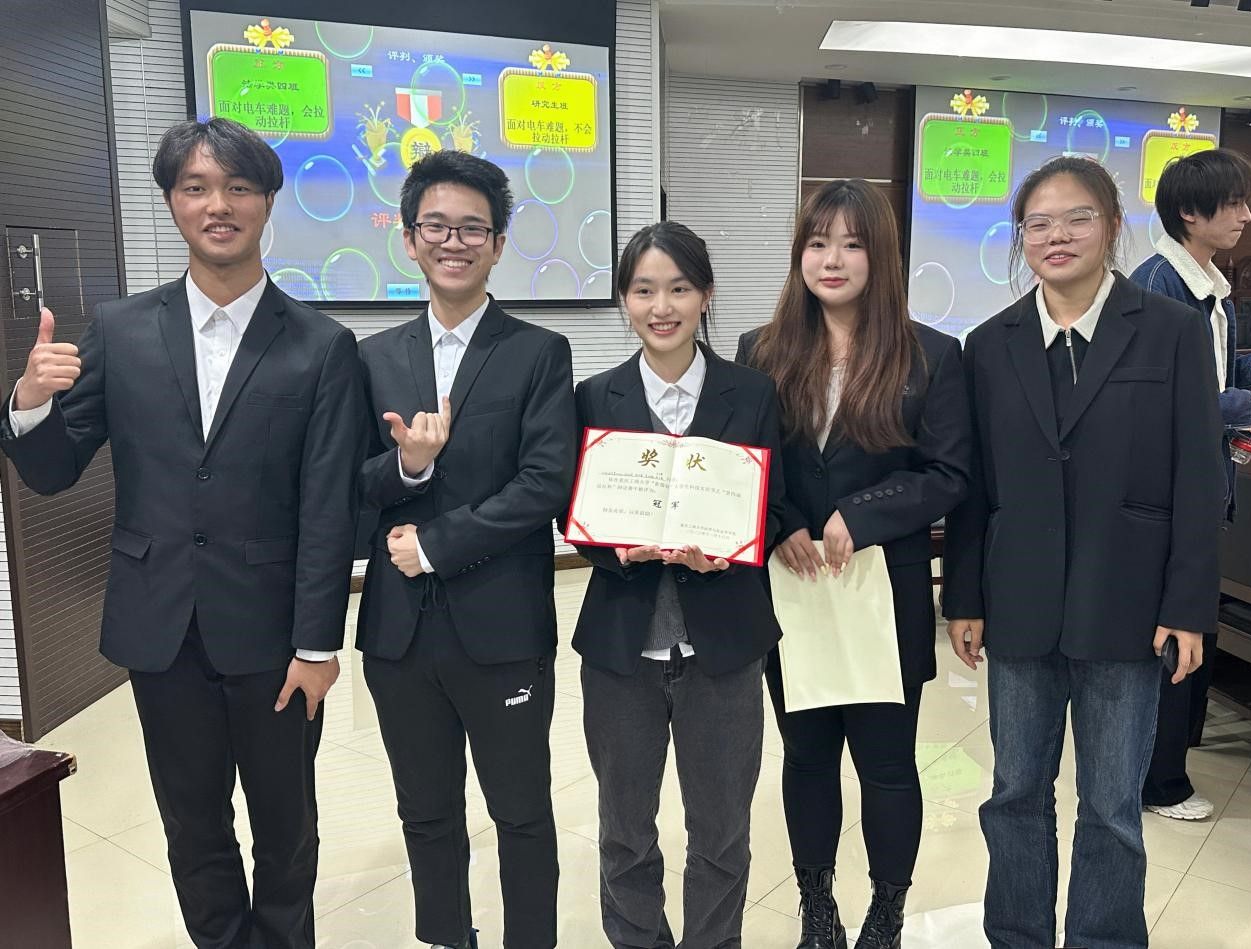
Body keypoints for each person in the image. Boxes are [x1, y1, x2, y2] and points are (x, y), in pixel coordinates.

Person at [0, 117, 366, 947]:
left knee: (287, 829)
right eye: (196, 187)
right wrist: (28, 403)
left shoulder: (322, 346)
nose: (218, 205)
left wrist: (318, 643)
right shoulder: (122, 329)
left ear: (266, 202)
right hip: (159, 627)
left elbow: (327, 508)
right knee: (191, 826)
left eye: (238, 187)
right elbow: (54, 470)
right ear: (171, 202)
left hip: (274, 636)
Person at [943, 156, 1223, 949]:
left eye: (1077, 218)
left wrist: (1188, 606)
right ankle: (1017, 935)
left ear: (1111, 226)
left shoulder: (1169, 331)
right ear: (1020, 237)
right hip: (1020, 603)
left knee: (1111, 804)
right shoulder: (988, 344)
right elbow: (973, 487)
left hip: (1128, 603)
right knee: (1014, 793)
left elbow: (1200, 477)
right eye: (1038, 223)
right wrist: (963, 597)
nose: (1056, 236)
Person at [736, 179, 971, 949]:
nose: (831, 259)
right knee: (806, 756)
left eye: (851, 243)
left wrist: (861, 515)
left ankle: (886, 912)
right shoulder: (761, 350)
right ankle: (817, 906)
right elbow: (749, 464)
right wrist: (780, 523)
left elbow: (948, 473)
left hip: (883, 592)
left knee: (887, 762)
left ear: (882, 255)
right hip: (793, 587)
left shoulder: (931, 354)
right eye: (817, 242)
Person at [356, 150, 576, 949]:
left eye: (472, 228)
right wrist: (410, 466)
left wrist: (437, 543)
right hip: (399, 635)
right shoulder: (371, 357)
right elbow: (350, 484)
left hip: (503, 628)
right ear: (409, 239)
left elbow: (545, 483)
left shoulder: (539, 351)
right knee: (426, 812)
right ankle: (448, 936)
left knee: (521, 811)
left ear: (499, 242)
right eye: (437, 226)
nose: (454, 242)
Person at [568, 222, 784, 949]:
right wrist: (616, 548)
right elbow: (574, 513)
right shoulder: (594, 396)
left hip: (724, 647)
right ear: (624, 300)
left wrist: (733, 550)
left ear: (706, 295)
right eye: (643, 290)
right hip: (621, 650)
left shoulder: (752, 392)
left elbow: (775, 504)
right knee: (624, 830)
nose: (661, 307)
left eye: (679, 289)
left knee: (721, 833)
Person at [1131, 148, 1251, 821]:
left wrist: (1249, 370)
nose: (1246, 215)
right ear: (1189, 211)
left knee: (1189, 632)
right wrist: (1246, 404)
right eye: (1233, 203)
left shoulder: (1207, 282)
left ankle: (1167, 766)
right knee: (1169, 634)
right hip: (1165, 495)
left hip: (1199, 487)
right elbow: (1161, 400)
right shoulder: (1158, 286)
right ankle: (1158, 782)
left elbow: (1207, 368)